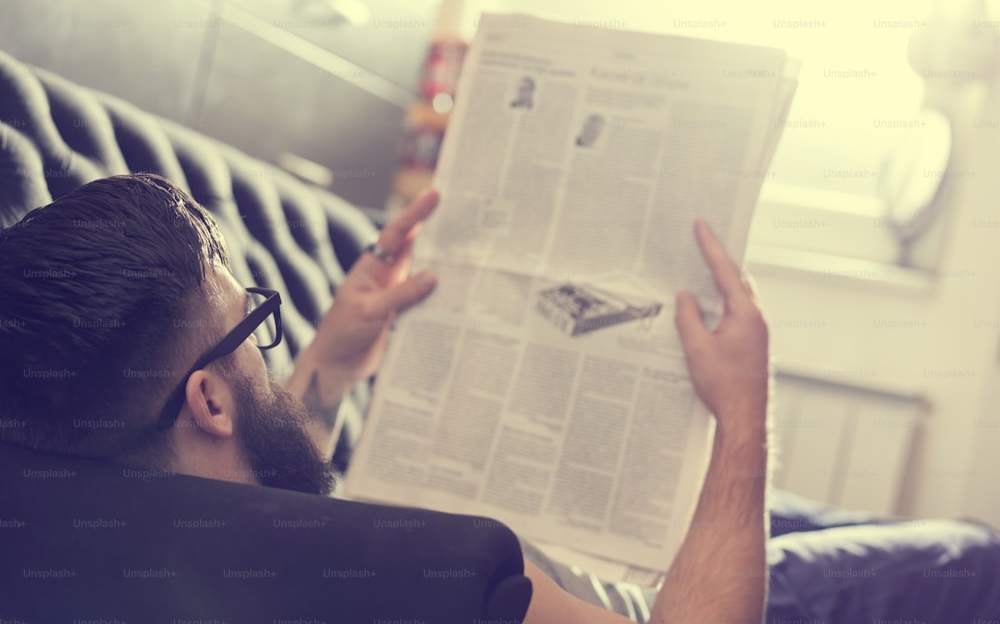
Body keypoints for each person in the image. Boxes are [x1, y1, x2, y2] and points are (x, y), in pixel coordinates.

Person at [1, 174, 999, 623]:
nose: (271, 350)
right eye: (251, 324)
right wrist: (744, 408)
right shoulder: (413, 578)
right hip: (665, 599)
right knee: (970, 559)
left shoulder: (115, 521)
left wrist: (336, 358)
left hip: (589, 531)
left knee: (861, 524)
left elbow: (252, 483)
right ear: (211, 398)